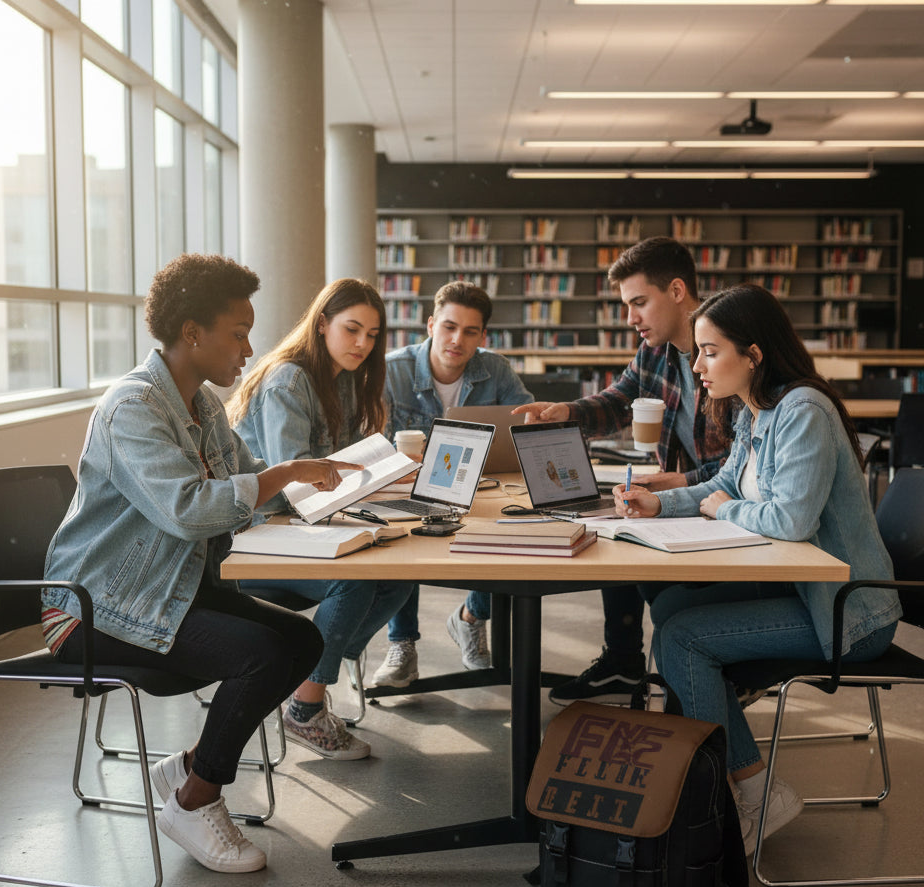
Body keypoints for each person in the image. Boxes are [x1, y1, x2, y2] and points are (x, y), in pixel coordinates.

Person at [43, 254, 360, 873]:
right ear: (192, 332)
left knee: (302, 639)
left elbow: (250, 486)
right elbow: (188, 510)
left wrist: (331, 492)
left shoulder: (204, 405)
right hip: (96, 608)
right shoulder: (133, 407)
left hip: (169, 588)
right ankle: (195, 800)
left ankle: (191, 768)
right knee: (261, 654)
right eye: (238, 333)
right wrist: (287, 474)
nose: (248, 349)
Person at [614, 283, 900, 852]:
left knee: (685, 639)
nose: (697, 366)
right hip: (804, 591)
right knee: (671, 606)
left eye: (709, 351)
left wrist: (723, 508)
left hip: (848, 613)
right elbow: (723, 485)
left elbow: (789, 519)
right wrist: (659, 504)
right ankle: (708, 780)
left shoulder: (802, 411)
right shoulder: (757, 409)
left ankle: (747, 794)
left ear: (753, 354)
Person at [512, 237, 732, 704]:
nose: (630, 318)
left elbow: (751, 463)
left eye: (639, 303)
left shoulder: (727, 352)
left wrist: (683, 481)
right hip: (683, 500)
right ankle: (624, 663)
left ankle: (706, 670)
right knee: (616, 524)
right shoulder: (655, 351)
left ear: (677, 291)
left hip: (726, 509)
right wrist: (566, 412)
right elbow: (619, 400)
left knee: (629, 533)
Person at [226, 278, 415, 757]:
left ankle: (312, 668)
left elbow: (342, 468)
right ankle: (304, 709)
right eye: (352, 329)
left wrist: (386, 477)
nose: (362, 344)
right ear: (322, 323)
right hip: (255, 533)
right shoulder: (289, 381)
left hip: (300, 525)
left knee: (401, 571)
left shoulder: (344, 380)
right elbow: (294, 482)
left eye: (372, 335)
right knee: (352, 582)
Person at [371, 281, 534, 687]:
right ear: (431, 325)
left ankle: (470, 617)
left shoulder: (496, 370)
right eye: (449, 327)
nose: (457, 340)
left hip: (481, 489)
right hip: (408, 488)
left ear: (483, 336)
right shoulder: (393, 371)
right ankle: (402, 644)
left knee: (513, 534)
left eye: (470, 331)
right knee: (402, 540)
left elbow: (526, 427)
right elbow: (372, 444)